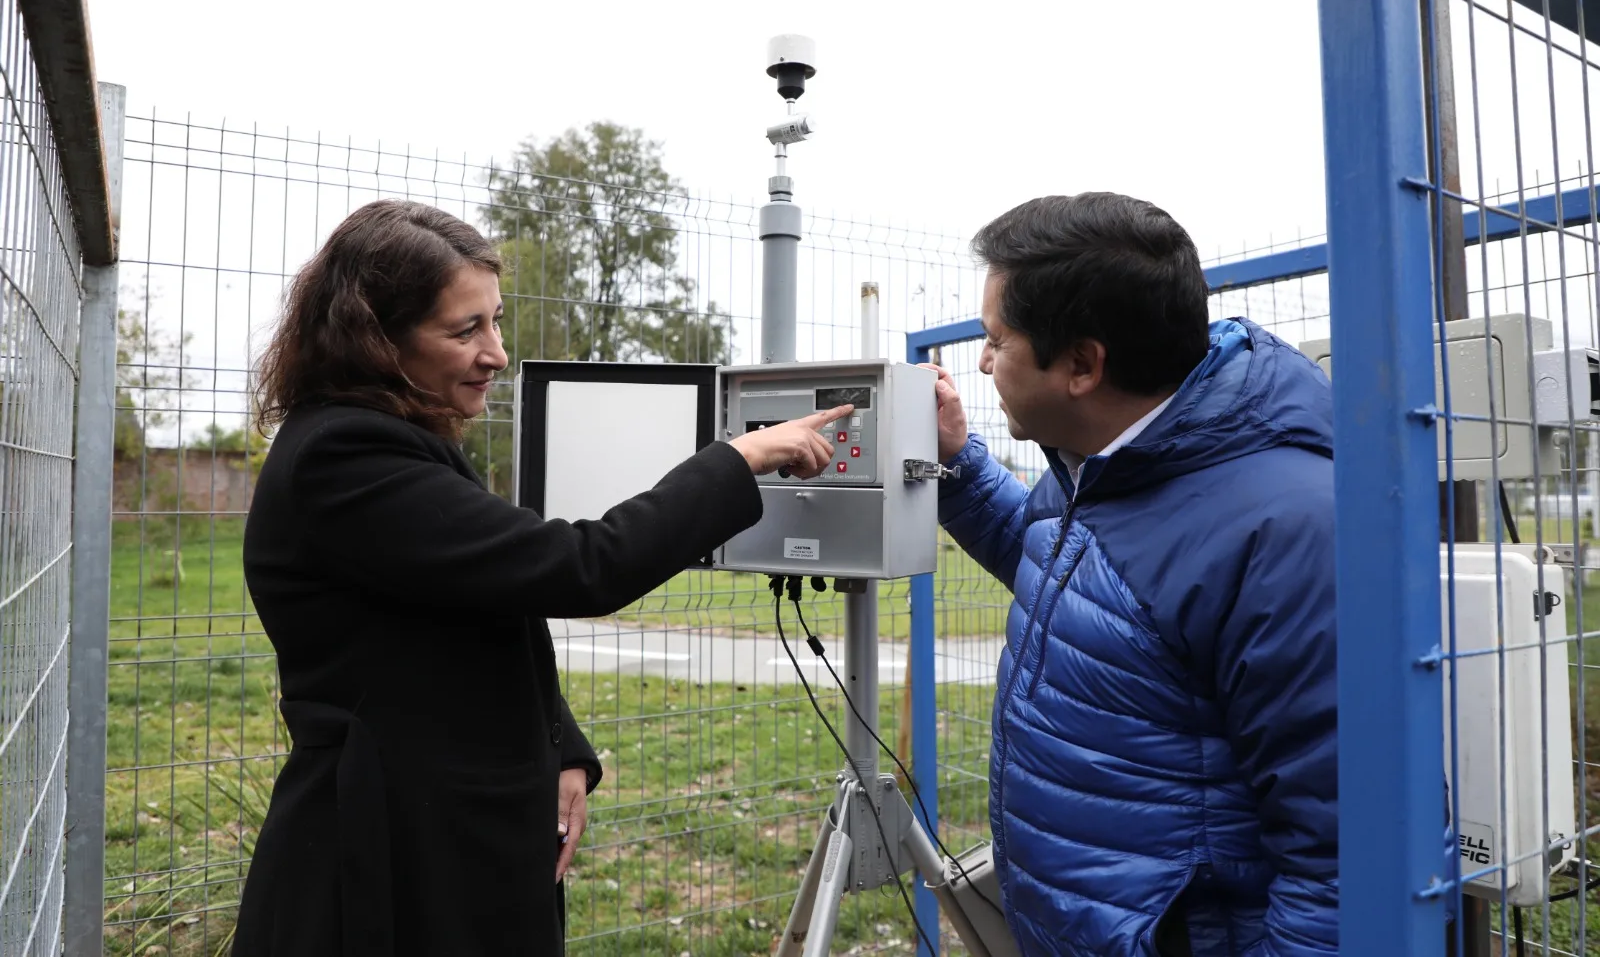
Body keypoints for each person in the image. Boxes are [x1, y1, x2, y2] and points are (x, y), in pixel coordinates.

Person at [230, 199, 852, 957]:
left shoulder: (396, 443)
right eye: (466, 330)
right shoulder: (346, 461)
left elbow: (484, 607)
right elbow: (577, 567)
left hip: (440, 829)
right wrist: (738, 460)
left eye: (494, 320)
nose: (496, 352)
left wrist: (562, 747)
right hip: (387, 855)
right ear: (376, 342)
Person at [927, 192, 1337, 956]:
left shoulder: (1286, 531)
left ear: (1082, 364)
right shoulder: (1103, 463)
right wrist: (957, 464)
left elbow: (1342, 856)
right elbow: (1080, 580)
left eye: (996, 339)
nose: (982, 361)